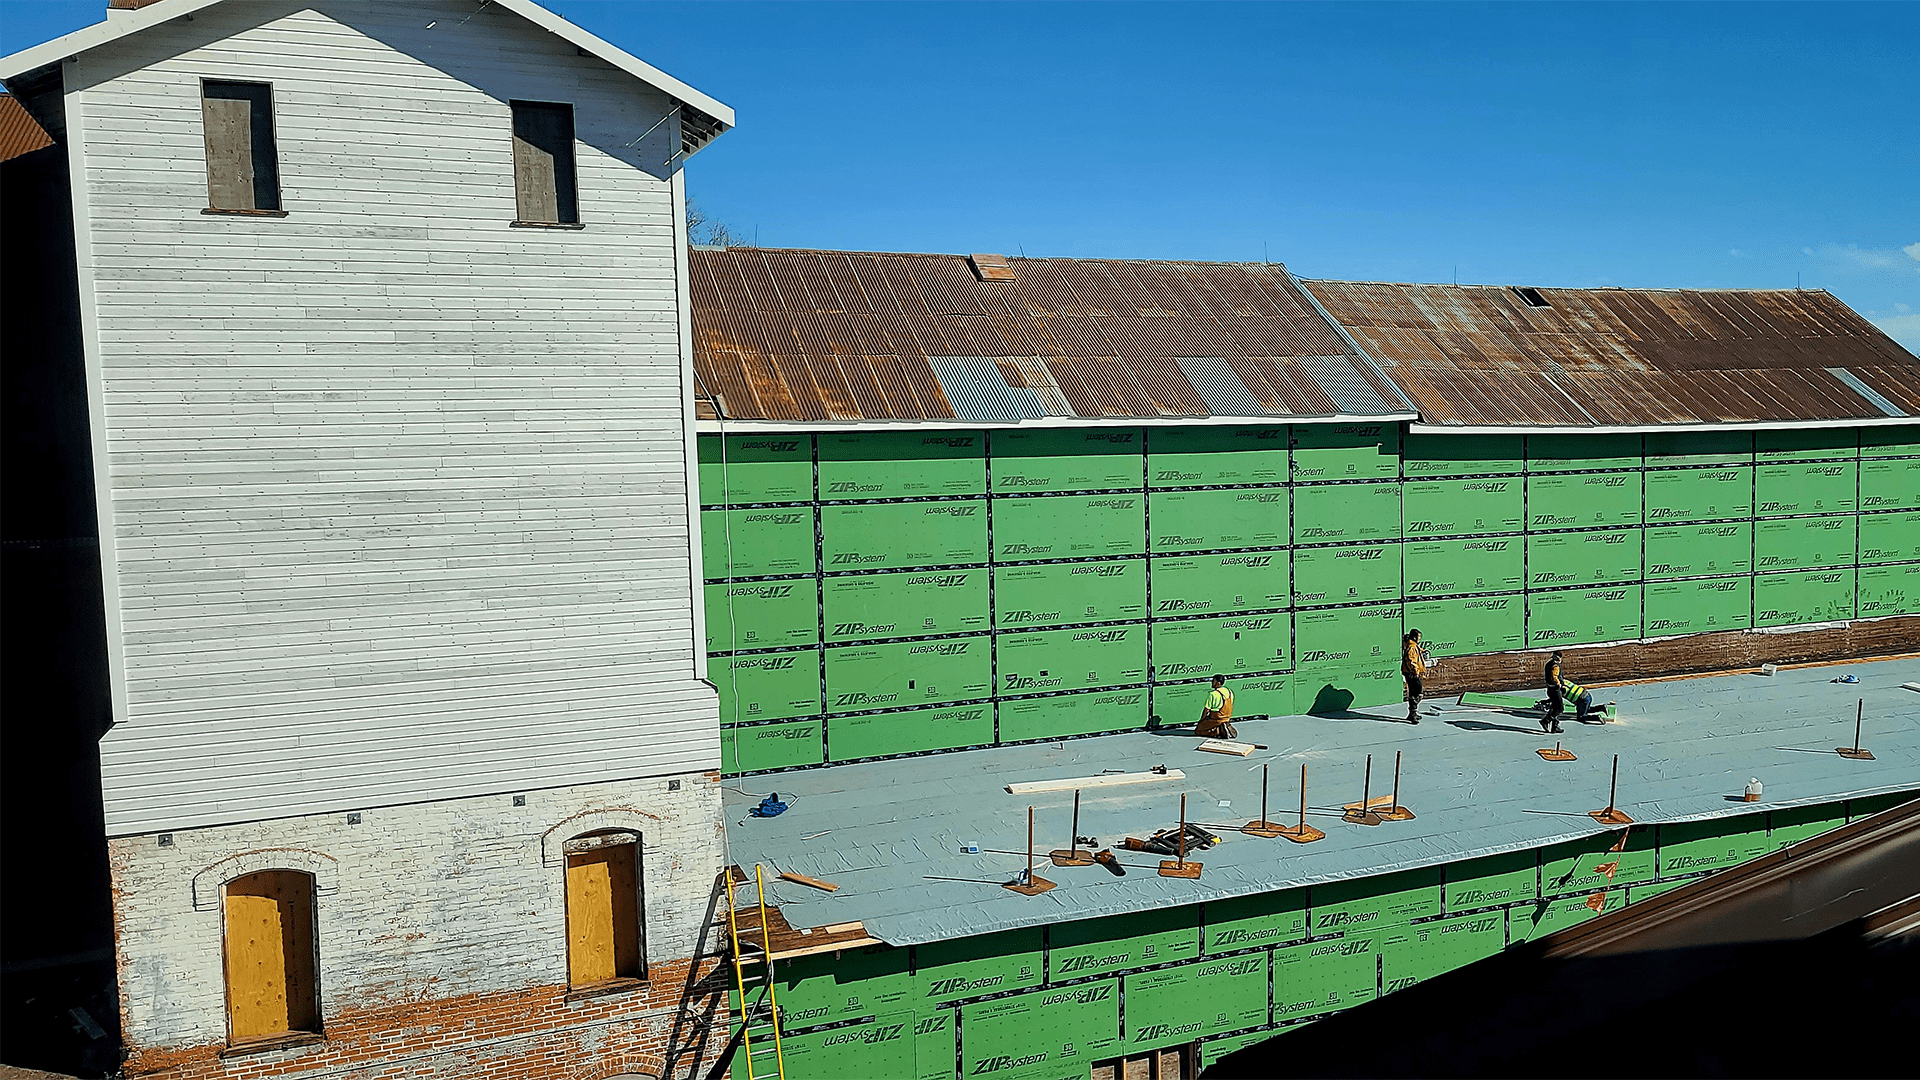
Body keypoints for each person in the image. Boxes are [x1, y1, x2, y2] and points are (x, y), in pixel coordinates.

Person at [1402, 629, 1431, 724]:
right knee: (1417, 693)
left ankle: (1412, 713)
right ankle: (1413, 713)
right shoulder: (1411, 647)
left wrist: (1424, 651)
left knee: (1414, 693)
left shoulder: (1413, 646)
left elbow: (1418, 651)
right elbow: (1411, 661)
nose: (1419, 639)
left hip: (1412, 673)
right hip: (1412, 673)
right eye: (1418, 637)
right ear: (1415, 637)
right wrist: (1416, 672)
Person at [1197, 674, 1236, 739]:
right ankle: (1224, 726)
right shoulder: (1229, 691)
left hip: (1216, 719)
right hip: (1227, 718)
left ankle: (1218, 731)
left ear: (1218, 683)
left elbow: (1206, 710)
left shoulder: (1213, 694)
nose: (1211, 682)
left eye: (1213, 681)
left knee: (1198, 731)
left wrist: (1201, 720)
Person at [1542, 652, 1566, 733]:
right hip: (1555, 689)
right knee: (1559, 708)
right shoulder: (1555, 666)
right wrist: (1559, 685)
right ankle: (1546, 720)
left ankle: (1555, 727)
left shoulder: (1548, 664)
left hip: (1549, 688)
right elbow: (1554, 677)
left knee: (1554, 707)